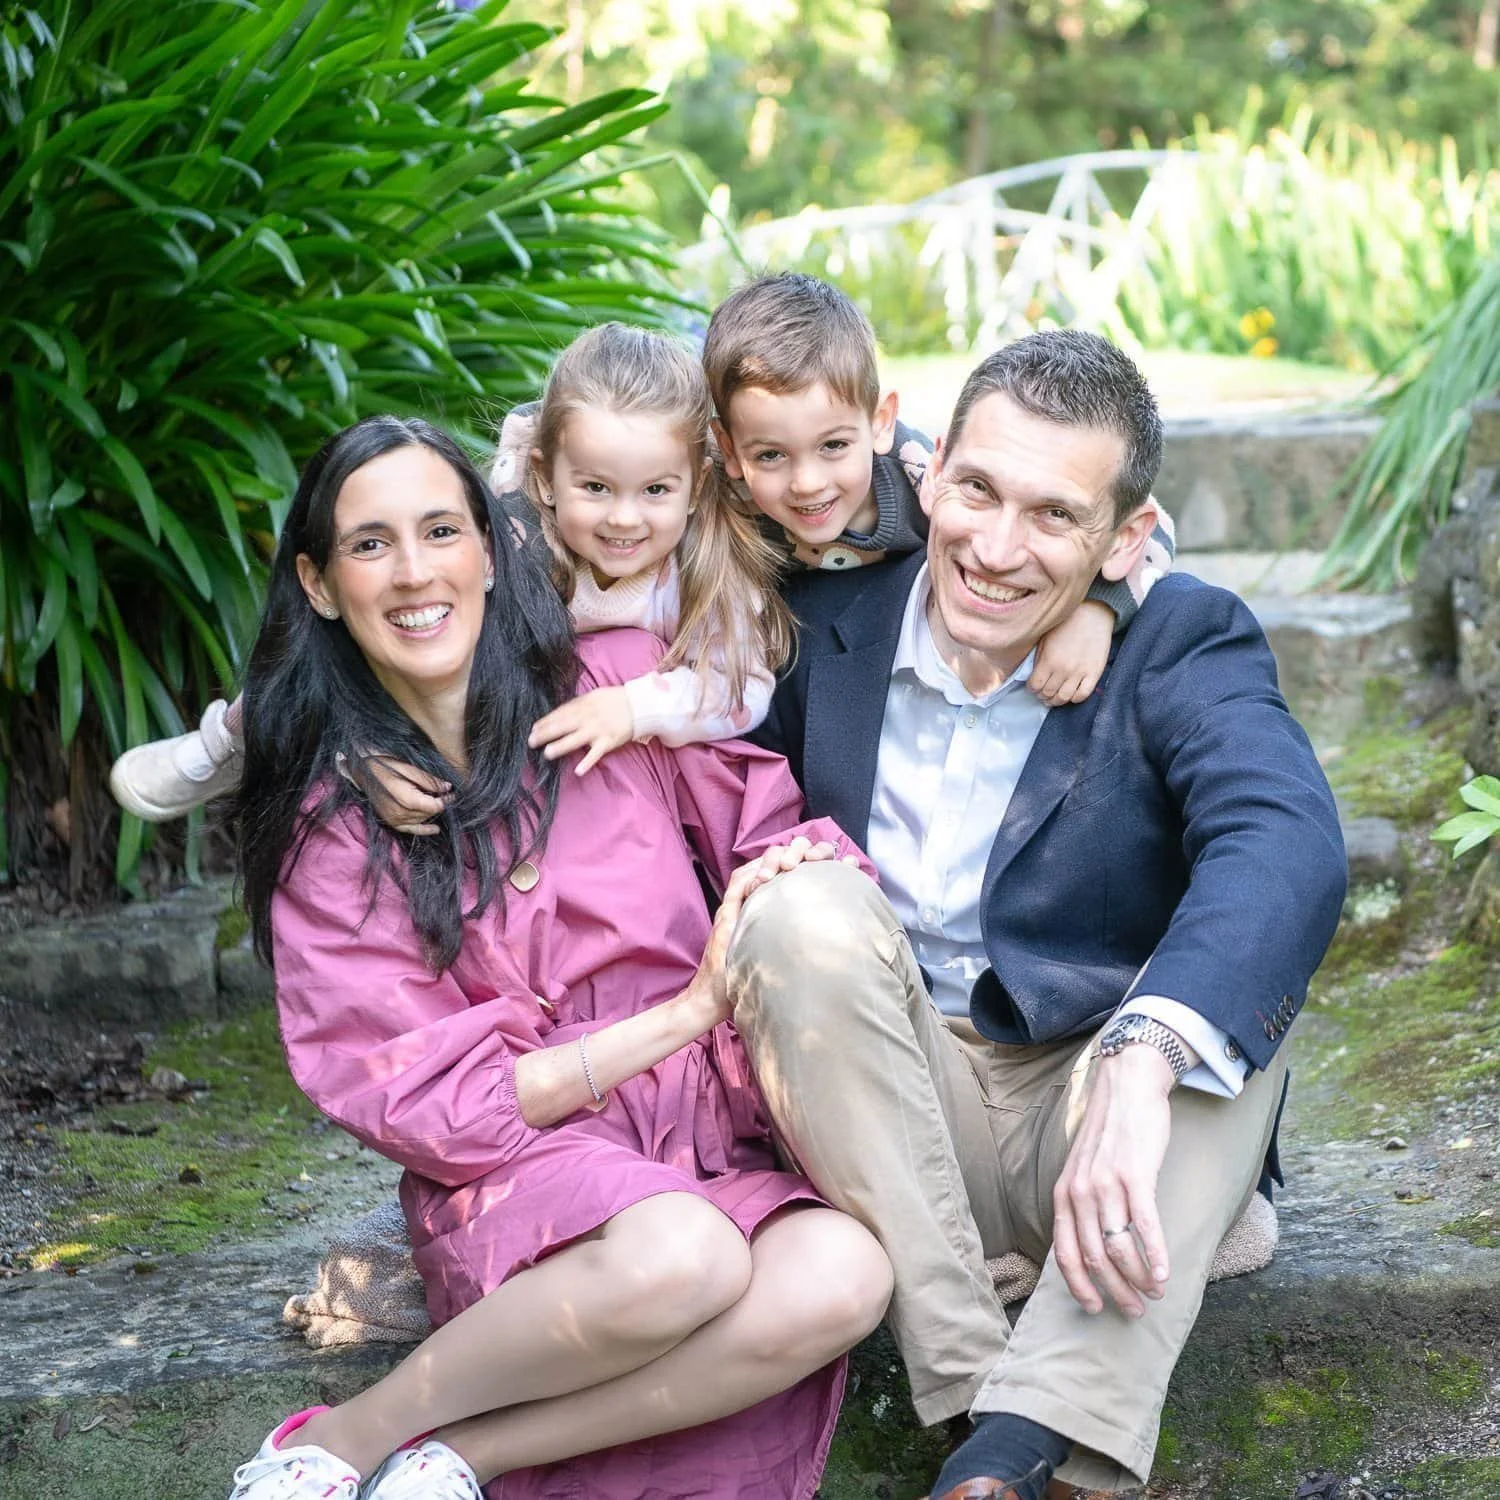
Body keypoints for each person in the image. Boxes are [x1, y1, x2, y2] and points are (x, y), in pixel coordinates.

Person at [725, 329, 1348, 1499]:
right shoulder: (812, 620)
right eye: (977, 492)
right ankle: (968, 1385)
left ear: (1125, 537)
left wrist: (1143, 1053)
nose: (997, 550)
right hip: (892, 1112)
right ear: (928, 466)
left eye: (1055, 517)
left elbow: (1286, 839)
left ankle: (1019, 1450)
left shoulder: (1180, 635)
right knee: (790, 909)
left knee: (1220, 1014)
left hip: (1099, 1108)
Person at [225, 413, 892, 1500]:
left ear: (492, 547)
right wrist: (684, 1015)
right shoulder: (334, 827)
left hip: (709, 1141)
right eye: (369, 544)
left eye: (441, 530)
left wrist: (789, 909)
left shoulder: (619, 692)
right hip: (520, 1174)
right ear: (316, 581)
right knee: (685, 1256)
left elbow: (779, 840)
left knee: (846, 1274)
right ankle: (343, 1436)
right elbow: (438, 1103)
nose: (412, 572)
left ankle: (455, 1459)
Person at [110, 323, 792, 821]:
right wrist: (360, 749)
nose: (623, 519)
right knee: (367, 624)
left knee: (629, 660)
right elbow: (407, 645)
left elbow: (741, 690)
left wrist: (634, 707)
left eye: (654, 492)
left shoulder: (708, 568)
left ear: (695, 485)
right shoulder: (516, 538)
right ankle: (236, 738)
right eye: (595, 489)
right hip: (481, 694)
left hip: (584, 749)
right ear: (545, 479)